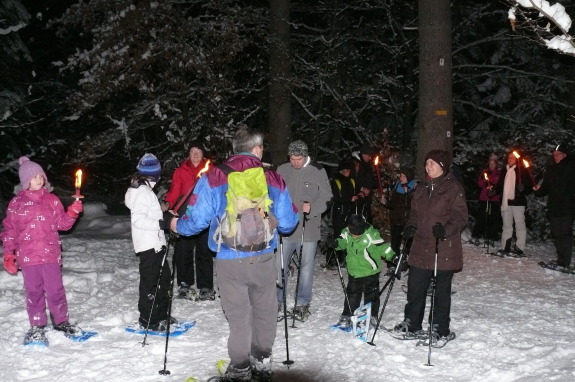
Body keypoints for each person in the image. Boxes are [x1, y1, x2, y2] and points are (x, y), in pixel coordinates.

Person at [170, 125, 298, 382]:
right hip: (263, 257)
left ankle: (239, 369)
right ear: (258, 149)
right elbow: (288, 222)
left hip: (229, 259)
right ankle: (261, 362)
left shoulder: (214, 176)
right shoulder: (272, 177)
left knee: (239, 316)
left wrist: (176, 225)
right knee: (265, 310)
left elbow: (196, 220)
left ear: (234, 149)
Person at [1, 156, 84, 345]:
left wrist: (72, 213)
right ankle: (37, 326)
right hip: (28, 257)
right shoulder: (17, 204)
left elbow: (62, 224)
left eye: (41, 176)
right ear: (25, 181)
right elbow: (10, 231)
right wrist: (8, 254)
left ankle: (61, 321)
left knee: (56, 290)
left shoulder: (52, 201)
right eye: (34, 177)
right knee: (34, 291)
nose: (39, 180)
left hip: (50, 254)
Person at [394, 150, 468, 344]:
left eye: (432, 163)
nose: (428, 167)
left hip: (443, 246)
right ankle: (412, 323)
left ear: (442, 166)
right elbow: (414, 214)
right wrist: (410, 226)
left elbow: (460, 216)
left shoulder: (453, 187)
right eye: (426, 163)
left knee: (441, 291)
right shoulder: (421, 187)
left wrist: (445, 229)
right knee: (415, 287)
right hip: (420, 245)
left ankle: (439, 327)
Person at [276, 140, 333, 322]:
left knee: (306, 269)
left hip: (308, 228)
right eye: (292, 159)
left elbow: (328, 197)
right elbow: (274, 193)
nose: (295, 163)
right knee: (279, 267)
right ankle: (277, 301)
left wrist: (313, 207)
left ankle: (302, 303)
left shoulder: (317, 170)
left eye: (299, 159)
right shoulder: (282, 170)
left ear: (306, 156)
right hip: (285, 228)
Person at [125, 153, 174, 331]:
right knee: (150, 282)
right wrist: (162, 223)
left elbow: (152, 213)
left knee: (164, 279)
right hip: (148, 245)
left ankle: (161, 314)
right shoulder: (142, 192)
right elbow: (139, 220)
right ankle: (148, 319)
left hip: (156, 243)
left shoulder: (146, 191)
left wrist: (165, 215)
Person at [163, 140, 215, 301]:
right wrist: (167, 205)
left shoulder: (211, 170)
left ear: (203, 153)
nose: (195, 154)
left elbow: (216, 192)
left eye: (198, 151)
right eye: (193, 151)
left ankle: (205, 286)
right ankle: (185, 284)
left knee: (204, 251)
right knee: (183, 251)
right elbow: (174, 192)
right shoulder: (180, 171)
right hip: (185, 214)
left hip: (205, 215)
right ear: (188, 153)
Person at [335, 214, 395, 329]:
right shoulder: (347, 232)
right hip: (354, 271)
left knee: (372, 294)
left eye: (358, 234)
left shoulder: (371, 234)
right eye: (353, 234)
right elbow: (342, 242)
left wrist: (393, 257)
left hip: (370, 271)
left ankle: (372, 315)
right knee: (352, 293)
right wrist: (336, 244)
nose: (355, 236)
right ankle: (348, 314)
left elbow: (383, 248)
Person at [534, 143, 575, 268]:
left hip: (567, 206)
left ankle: (565, 262)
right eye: (554, 155)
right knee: (556, 233)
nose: (556, 157)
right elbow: (546, 187)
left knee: (564, 233)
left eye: (558, 154)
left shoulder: (571, 167)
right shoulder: (552, 169)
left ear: (565, 155)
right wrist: (538, 190)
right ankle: (560, 259)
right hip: (554, 207)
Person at [495, 151, 535, 256]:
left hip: (518, 202)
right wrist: (494, 191)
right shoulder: (505, 170)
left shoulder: (522, 171)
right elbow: (500, 186)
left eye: (512, 157)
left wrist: (523, 188)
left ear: (517, 159)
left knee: (520, 225)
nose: (510, 159)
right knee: (506, 226)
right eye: (509, 157)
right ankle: (505, 247)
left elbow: (530, 187)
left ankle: (519, 248)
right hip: (506, 202)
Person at [327, 160, 359, 268]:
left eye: (348, 170)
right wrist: (349, 199)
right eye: (345, 171)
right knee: (338, 235)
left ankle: (345, 258)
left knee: (348, 236)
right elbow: (335, 198)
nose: (347, 172)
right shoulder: (336, 182)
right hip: (339, 212)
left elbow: (356, 193)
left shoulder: (352, 181)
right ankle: (333, 259)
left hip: (350, 212)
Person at [471, 156, 502, 246]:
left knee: (493, 218)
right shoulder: (485, 172)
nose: (492, 165)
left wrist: (493, 187)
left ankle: (491, 237)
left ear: (496, 164)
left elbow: (500, 184)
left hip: (494, 198)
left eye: (493, 164)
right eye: (490, 164)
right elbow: (479, 183)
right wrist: (485, 182)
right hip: (484, 198)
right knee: (482, 217)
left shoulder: (499, 173)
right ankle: (477, 235)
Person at [387, 167, 416, 257]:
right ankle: (394, 261)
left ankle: (410, 261)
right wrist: (386, 203)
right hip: (396, 220)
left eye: (403, 176)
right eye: (400, 176)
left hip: (407, 221)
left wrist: (407, 194)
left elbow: (411, 207)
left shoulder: (414, 188)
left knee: (409, 243)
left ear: (409, 177)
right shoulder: (398, 186)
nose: (401, 178)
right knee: (395, 242)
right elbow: (393, 205)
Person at [351, 143, 377, 224]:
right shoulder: (355, 164)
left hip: (366, 200)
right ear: (363, 154)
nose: (370, 158)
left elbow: (369, 180)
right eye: (368, 155)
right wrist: (361, 189)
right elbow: (351, 180)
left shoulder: (368, 165)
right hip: (357, 200)